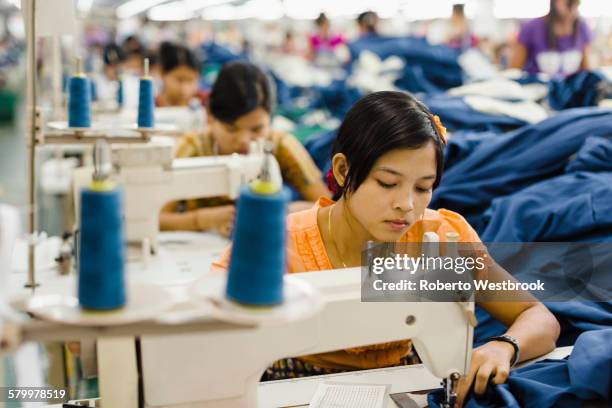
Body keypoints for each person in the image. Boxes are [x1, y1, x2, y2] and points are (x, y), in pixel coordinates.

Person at [211, 91, 560, 406]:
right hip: (292, 387)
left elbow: (537, 316)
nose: (406, 205)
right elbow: (205, 335)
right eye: (388, 183)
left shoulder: (440, 235)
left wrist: (505, 346)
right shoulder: (279, 244)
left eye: (423, 188)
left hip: (404, 379)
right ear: (344, 170)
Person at [159, 61, 330, 237]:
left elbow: (328, 207)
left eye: (256, 129)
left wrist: (280, 210)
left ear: (271, 119)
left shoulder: (281, 145)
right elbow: (157, 218)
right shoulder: (191, 148)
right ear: (210, 117)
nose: (243, 140)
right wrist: (202, 219)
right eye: (231, 128)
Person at [509, 0, 593, 76]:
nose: (572, 9)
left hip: (570, 90)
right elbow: (513, 71)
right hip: (537, 89)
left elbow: (586, 71)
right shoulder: (531, 28)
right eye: (568, 3)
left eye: (575, 4)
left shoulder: (582, 28)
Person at [155, 41, 206, 107]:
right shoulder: (150, 107)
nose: (184, 89)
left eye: (191, 80)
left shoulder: (206, 103)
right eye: (179, 80)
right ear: (162, 73)